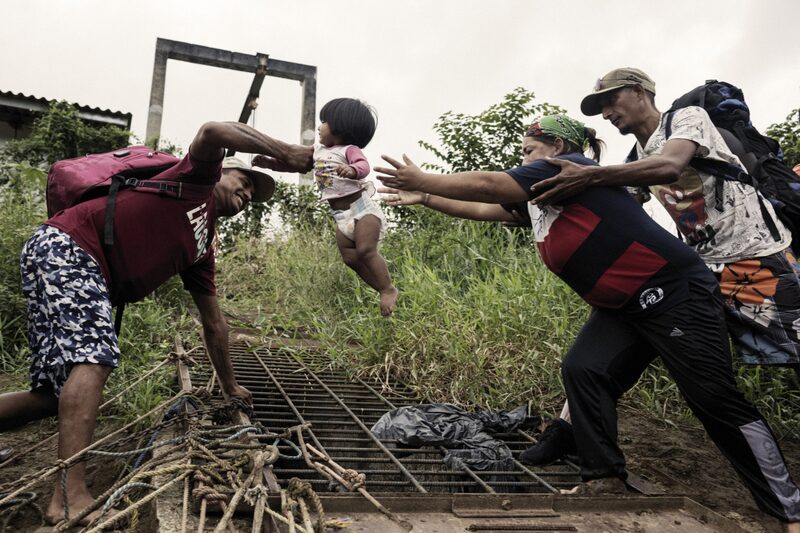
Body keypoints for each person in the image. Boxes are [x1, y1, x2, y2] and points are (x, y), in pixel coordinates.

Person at [376, 114, 800, 529]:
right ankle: (605, 478)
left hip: (675, 294)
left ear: (557, 147)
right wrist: (428, 199)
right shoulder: (545, 197)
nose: (522, 160)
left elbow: (490, 184)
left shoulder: (570, 170)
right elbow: (489, 208)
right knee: (585, 368)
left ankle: (789, 509)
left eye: (528, 151)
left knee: (714, 401)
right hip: (625, 307)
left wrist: (424, 179)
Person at [0, 120, 313, 525]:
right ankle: (67, 496)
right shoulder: (196, 179)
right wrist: (286, 152)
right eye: (245, 180)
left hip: (63, 257)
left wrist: (230, 385)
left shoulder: (202, 248)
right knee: (94, 358)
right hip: (69, 248)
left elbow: (214, 323)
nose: (248, 193)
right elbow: (213, 130)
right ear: (223, 170)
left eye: (254, 194)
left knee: (51, 397)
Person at [524, 67, 800, 468]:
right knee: (612, 347)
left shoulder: (686, 120)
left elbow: (670, 166)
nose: (606, 114)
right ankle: (565, 433)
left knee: (792, 358)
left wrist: (592, 176)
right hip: (697, 273)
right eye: (600, 107)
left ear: (639, 92)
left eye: (611, 100)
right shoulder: (634, 159)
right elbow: (620, 211)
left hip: (755, 260)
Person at [254, 97, 398, 316]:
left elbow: (363, 165)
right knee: (350, 258)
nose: (319, 127)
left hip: (362, 209)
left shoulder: (349, 150)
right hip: (341, 216)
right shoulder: (317, 150)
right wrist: (270, 164)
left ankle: (388, 289)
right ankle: (380, 289)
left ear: (341, 126)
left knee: (366, 250)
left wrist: (352, 171)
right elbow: (295, 165)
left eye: (324, 121)